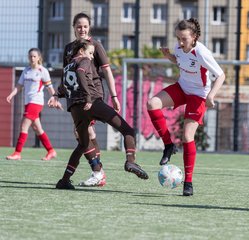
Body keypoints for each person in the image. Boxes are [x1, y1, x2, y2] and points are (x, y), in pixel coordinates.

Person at [49, 39, 148, 190]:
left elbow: (64, 87)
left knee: (82, 145)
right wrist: (88, 97)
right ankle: (130, 161)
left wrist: (56, 95)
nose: (91, 57)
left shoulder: (68, 67)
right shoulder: (84, 61)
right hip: (93, 103)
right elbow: (82, 73)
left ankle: (64, 180)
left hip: (76, 110)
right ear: (81, 51)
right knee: (128, 130)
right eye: (90, 53)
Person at [147, 18, 225, 196]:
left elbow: (220, 75)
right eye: (178, 39)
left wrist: (211, 96)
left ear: (194, 37)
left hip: (198, 96)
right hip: (182, 88)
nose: (180, 43)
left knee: (187, 136)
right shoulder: (178, 48)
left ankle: (188, 182)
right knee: (152, 103)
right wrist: (169, 57)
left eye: (184, 39)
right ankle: (168, 145)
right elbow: (180, 61)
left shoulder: (202, 52)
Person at [62, 12, 121, 187]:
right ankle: (98, 173)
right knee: (89, 134)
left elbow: (107, 71)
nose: (82, 29)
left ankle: (97, 172)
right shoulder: (68, 48)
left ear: (90, 28)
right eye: (79, 26)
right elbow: (67, 75)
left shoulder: (95, 45)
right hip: (75, 98)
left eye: (85, 26)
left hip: (91, 97)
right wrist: (58, 94)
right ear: (73, 27)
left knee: (83, 134)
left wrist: (114, 95)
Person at [5, 48, 57, 161]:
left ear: (39, 58)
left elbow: (50, 88)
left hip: (36, 102)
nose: (32, 58)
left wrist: (55, 99)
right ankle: (51, 151)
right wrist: (11, 94)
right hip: (27, 103)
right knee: (37, 129)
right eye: (30, 56)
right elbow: (19, 86)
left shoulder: (43, 71)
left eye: (34, 56)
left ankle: (17, 153)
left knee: (24, 126)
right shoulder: (26, 70)